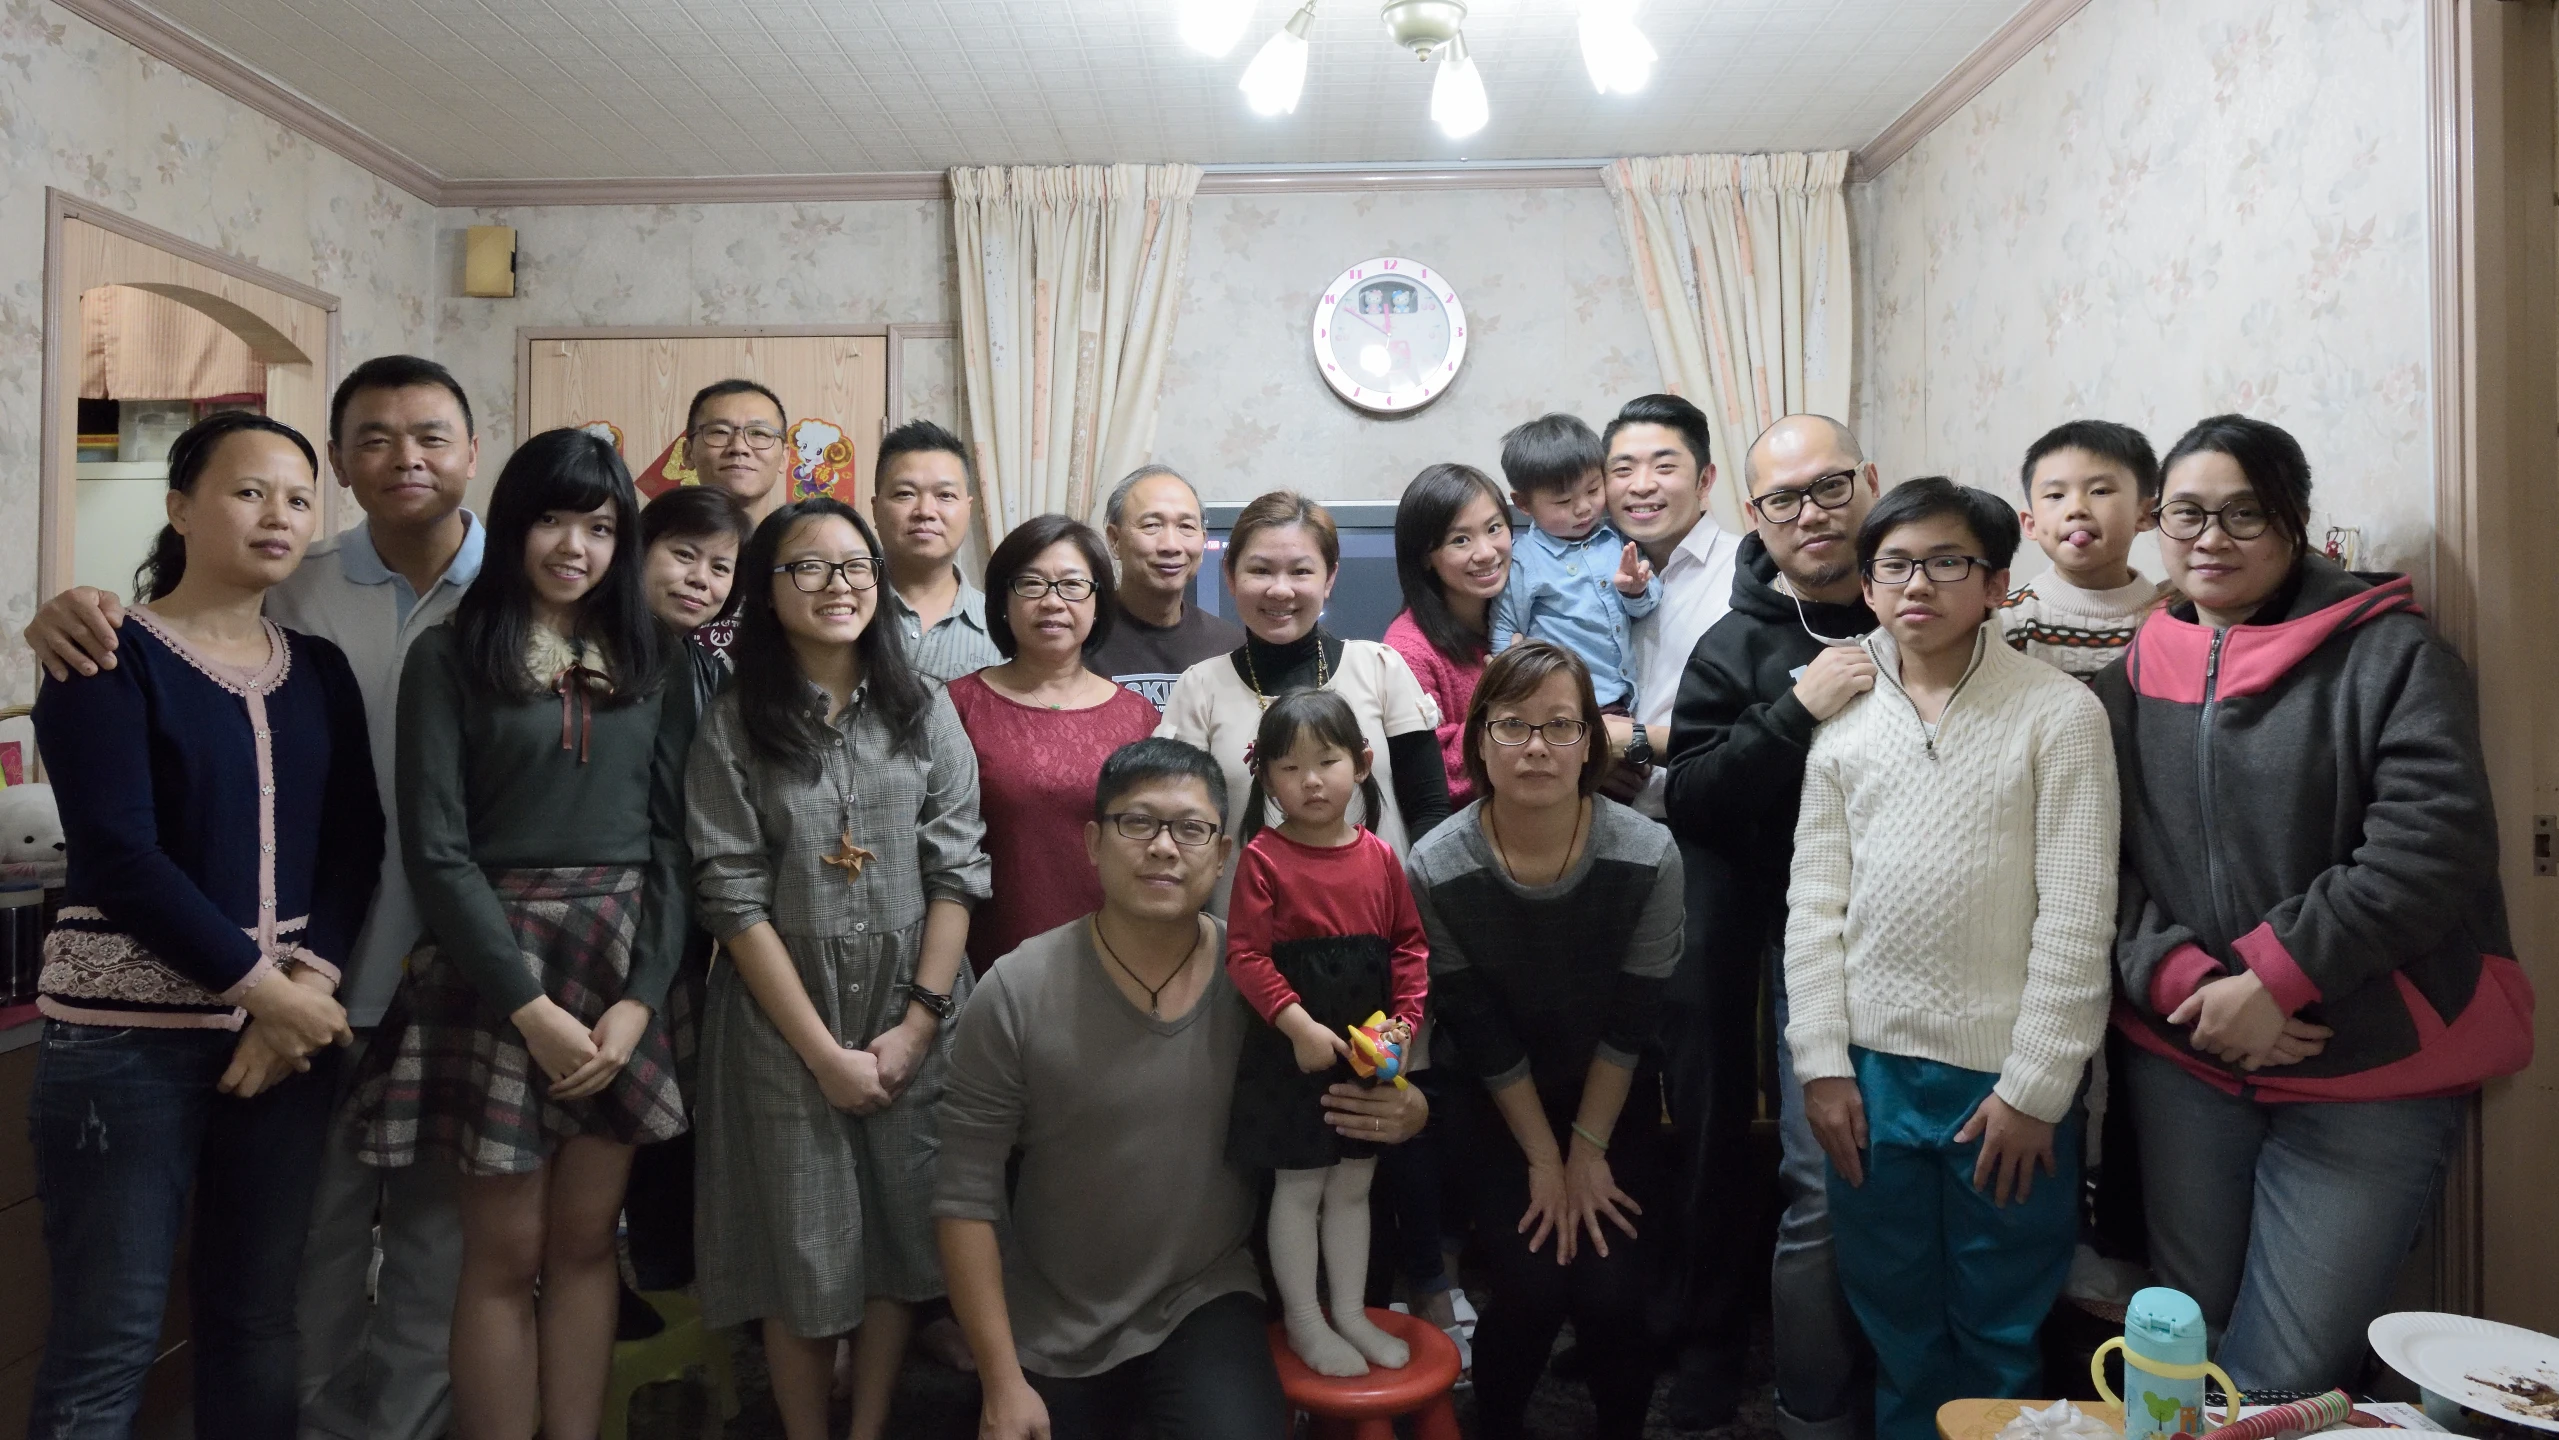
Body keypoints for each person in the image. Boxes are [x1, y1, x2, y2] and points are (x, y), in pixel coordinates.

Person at [20, 354, 484, 1440]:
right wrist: (263, 991)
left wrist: (299, 986)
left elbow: (350, 839)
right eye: (246, 492)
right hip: (129, 1044)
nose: (277, 517)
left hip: (288, 1037)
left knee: (255, 1319)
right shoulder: (105, 651)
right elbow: (121, 857)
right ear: (178, 507)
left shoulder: (310, 659)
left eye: (291, 499)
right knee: (112, 1335)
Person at [2096, 416, 2533, 1390]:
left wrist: (2276, 978)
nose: (2211, 538)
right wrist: (2179, 975)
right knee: (2181, 1344)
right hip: (2187, 1056)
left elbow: (2433, 845)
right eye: (2187, 513)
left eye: (2244, 513)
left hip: (2370, 1060)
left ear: (2296, 523)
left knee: (2281, 1374)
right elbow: (2100, 862)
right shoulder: (2124, 678)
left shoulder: (2390, 656)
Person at [933, 739, 1430, 1440]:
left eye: (1190, 829)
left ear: (1223, 855)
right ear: (1092, 842)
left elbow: (1366, 1086)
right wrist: (999, 1379)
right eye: (1137, 823)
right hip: (1052, 1311)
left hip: (1206, 1296)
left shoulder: (1270, 995)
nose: (1163, 848)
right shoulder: (1016, 989)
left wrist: (1410, 1107)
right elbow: (962, 1195)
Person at [351, 427, 693, 1440]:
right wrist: (530, 1010)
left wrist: (640, 1002)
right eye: (552, 519)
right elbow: (436, 852)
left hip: (623, 965)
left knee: (589, 1246)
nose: (576, 546)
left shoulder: (654, 656)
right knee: (502, 1256)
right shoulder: (451, 656)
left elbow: (676, 845)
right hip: (495, 974)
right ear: (512, 526)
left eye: (601, 526)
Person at [1785, 478, 2118, 1440]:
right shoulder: (1842, 708)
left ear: (1996, 584)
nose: (1915, 584)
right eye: (1892, 565)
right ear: (1868, 583)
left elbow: (2076, 912)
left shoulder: (2057, 714)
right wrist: (1819, 1063)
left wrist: (2037, 1086)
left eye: (1945, 562)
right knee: (1890, 1309)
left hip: (2003, 1080)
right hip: (1867, 1077)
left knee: (1999, 1317)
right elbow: (1813, 903)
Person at [684, 496, 990, 1440]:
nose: (837, 585)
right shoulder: (734, 721)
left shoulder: (925, 707)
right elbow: (729, 892)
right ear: (766, 593)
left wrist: (918, 1024)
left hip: (914, 1001)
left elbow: (958, 865)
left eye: (855, 567)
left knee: (905, 1236)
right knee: (802, 1248)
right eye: (806, 568)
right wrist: (822, 1052)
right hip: (784, 1017)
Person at [1662, 413, 1882, 1440]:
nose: (1813, 515)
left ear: (1866, 483)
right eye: (1786, 500)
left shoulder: (1918, 604)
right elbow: (1694, 793)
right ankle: (1712, 1341)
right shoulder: (1736, 640)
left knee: (1855, 1165)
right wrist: (1796, 710)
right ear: (1757, 514)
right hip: (1749, 920)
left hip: (1888, 926)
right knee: (1721, 1136)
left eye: (1830, 488)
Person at [1406, 640, 1685, 1440]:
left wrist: (1586, 1150)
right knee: (1529, 1286)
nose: (1535, 747)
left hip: (1614, 1090)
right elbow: (1480, 1032)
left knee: (1612, 1292)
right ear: (1478, 741)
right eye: (1512, 725)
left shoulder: (1646, 851)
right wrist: (1544, 1157)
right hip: (1494, 1107)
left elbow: (1634, 1019)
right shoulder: (1436, 864)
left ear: (1591, 743)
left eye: (1560, 726)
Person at [1224, 691, 1429, 1378]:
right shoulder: (1262, 857)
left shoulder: (1377, 856)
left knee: (1353, 1185)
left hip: (1369, 1051)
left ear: (1362, 764)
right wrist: (1296, 1025)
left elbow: (1408, 948)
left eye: (1327, 760)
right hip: (1294, 1054)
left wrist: (1403, 1024)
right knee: (1300, 1186)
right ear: (1266, 779)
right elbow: (1245, 956)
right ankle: (1305, 1322)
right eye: (1288, 767)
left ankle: (1349, 1313)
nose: (1310, 780)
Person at [1154, 491, 1451, 913]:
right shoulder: (1199, 687)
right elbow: (1181, 828)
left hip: (1377, 931)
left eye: (1300, 571)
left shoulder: (1381, 669)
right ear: (1231, 576)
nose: (1280, 590)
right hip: (1246, 940)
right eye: (1260, 570)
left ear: (1329, 578)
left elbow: (1429, 809)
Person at [614, 481, 754, 1322]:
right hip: (615, 927)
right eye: (681, 555)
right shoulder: (614, 657)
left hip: (685, 931)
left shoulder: (701, 658)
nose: (700, 578)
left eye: (720, 567)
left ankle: (662, 1298)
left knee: (672, 1121)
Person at [946, 514, 1158, 976]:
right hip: (990, 957)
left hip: (1117, 958)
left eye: (1072, 585)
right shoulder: (956, 706)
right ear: (1003, 599)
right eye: (1032, 584)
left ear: (1099, 602)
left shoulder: (1140, 716)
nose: (1052, 601)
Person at [1603, 392, 1746, 814]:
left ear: (1705, 480)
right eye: (1622, 470)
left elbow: (1760, 724)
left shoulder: (1749, 575)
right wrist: (1589, 755)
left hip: (1711, 821)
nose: (1641, 485)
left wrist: (1633, 744)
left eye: (1665, 467)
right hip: (1598, 827)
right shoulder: (1587, 578)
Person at [1491, 414, 1658, 713]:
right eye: (1563, 502)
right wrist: (1511, 683)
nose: (1583, 508)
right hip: (1557, 701)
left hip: (1624, 695)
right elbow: (1505, 629)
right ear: (1524, 504)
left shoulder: (1617, 539)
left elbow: (1646, 607)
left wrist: (1635, 592)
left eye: (1593, 490)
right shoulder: (1523, 560)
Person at [2000, 419, 2173, 678]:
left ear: (2147, 513)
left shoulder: (2170, 617)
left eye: (2100, 491)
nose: (2076, 509)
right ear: (2031, 524)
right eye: (2056, 496)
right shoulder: (2007, 620)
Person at [1385, 462, 1512, 812]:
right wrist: (1511, 700)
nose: (1486, 552)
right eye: (1460, 540)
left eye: (1494, 528)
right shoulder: (1408, 650)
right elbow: (1436, 773)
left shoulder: (1535, 612)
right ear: (1426, 557)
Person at [1087, 463, 1245, 707]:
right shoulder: (1080, 636)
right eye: (1152, 525)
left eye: (1186, 527)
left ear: (1203, 541)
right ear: (1114, 540)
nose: (1171, 545)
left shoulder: (1230, 646)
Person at [873, 420, 1002, 683]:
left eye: (945, 495)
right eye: (905, 494)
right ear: (875, 509)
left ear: (968, 509)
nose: (926, 511)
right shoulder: (843, 610)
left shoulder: (1002, 626)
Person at [679, 378, 792, 663]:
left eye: (759, 433)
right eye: (719, 432)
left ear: (785, 457)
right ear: (688, 453)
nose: (739, 447)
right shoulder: (655, 548)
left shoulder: (800, 553)